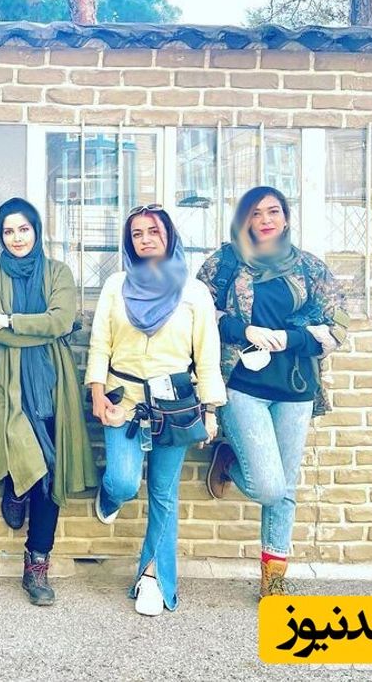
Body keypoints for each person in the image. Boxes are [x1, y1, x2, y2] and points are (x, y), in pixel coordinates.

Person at [198, 186, 348, 598]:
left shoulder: (310, 269)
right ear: (243, 220)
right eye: (255, 213)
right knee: (268, 486)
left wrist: (291, 338)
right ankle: (229, 460)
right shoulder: (223, 264)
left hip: (295, 389)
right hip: (240, 385)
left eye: (273, 211)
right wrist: (243, 329)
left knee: (286, 490)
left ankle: (273, 583)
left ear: (285, 218)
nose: (265, 220)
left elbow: (339, 324)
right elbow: (197, 314)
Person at [86, 205, 225, 616]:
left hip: (175, 406)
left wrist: (210, 411)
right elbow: (100, 342)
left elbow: (207, 356)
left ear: (169, 236)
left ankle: (153, 578)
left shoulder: (194, 292)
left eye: (153, 231)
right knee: (124, 481)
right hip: (123, 399)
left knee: (164, 494)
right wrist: (96, 392)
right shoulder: (116, 285)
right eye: (137, 233)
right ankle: (110, 496)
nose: (145, 239)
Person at [0, 197, 96, 606]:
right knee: (25, 451)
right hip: (6, 381)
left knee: (51, 468)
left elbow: (61, 320)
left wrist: (10, 321)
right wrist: (40, 328)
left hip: (52, 382)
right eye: (8, 231)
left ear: (36, 231)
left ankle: (37, 563)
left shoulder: (58, 272)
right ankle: (16, 486)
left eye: (23, 229)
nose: (17, 238)